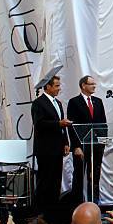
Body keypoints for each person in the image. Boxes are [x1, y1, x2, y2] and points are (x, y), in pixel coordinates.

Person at [31, 75, 71, 210]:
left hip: (57, 148)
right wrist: (58, 123)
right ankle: (41, 210)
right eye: (57, 86)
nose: (59, 88)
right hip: (45, 149)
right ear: (47, 87)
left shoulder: (58, 103)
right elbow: (39, 124)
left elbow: (63, 125)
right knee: (45, 180)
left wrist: (66, 142)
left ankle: (53, 209)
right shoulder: (39, 103)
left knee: (56, 180)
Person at [67, 76, 107, 204]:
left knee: (94, 175)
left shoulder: (98, 101)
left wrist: (103, 141)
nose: (94, 86)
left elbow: (103, 123)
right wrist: (76, 146)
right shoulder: (74, 102)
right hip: (81, 147)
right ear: (83, 85)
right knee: (79, 175)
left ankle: (94, 203)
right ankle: (76, 204)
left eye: (94, 84)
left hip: (96, 146)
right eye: (91, 84)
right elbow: (72, 127)